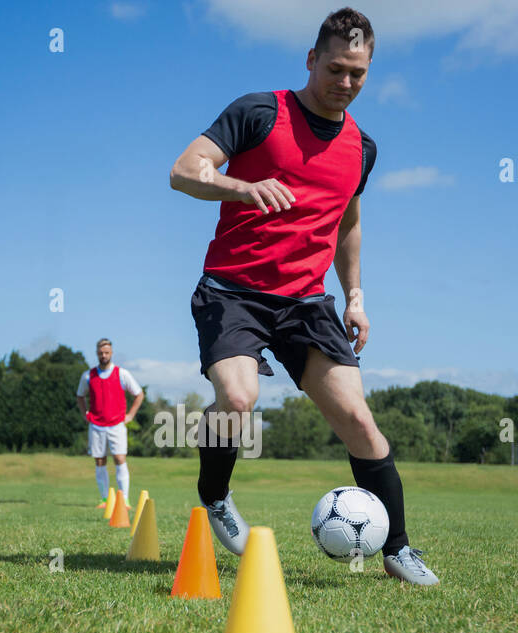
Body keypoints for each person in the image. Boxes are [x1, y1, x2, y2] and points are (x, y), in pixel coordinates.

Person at [167, 6, 438, 585]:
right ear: (312, 60)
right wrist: (242, 186)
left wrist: (356, 297)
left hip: (307, 303)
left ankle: (398, 550)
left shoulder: (361, 148)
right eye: (336, 69)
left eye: (358, 74)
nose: (346, 83)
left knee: (359, 420)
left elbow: (348, 223)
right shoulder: (259, 112)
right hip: (232, 290)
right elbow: (184, 170)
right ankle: (215, 494)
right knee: (237, 401)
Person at [76, 338, 144, 505]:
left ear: (111, 353)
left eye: (106, 353)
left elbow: (139, 394)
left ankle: (124, 499)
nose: (104, 355)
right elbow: (80, 396)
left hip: (116, 425)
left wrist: (130, 415)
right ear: (97, 354)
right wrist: (85, 414)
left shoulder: (122, 374)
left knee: (120, 459)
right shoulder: (88, 376)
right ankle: (105, 498)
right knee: (99, 460)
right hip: (96, 425)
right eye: (101, 353)